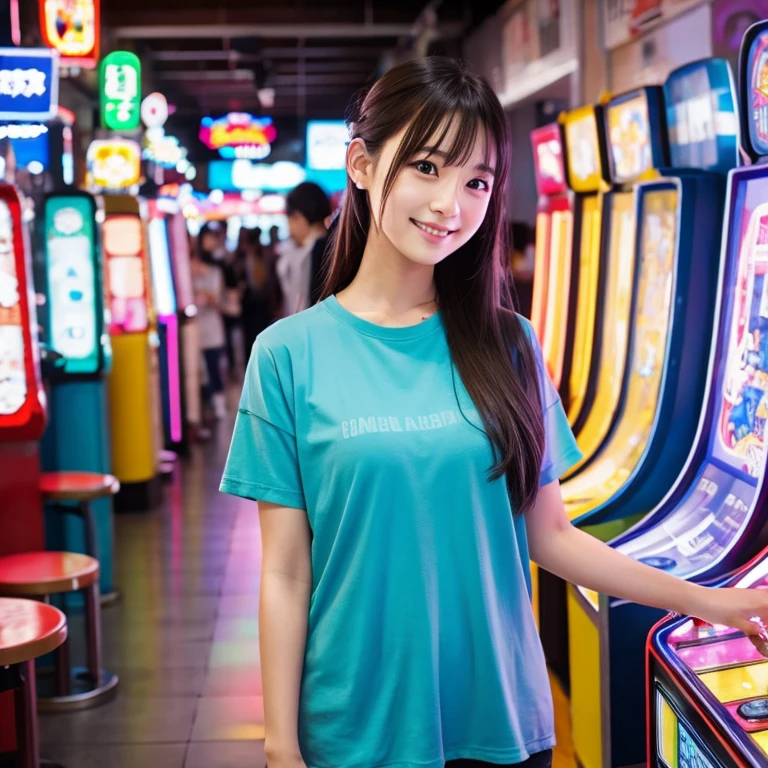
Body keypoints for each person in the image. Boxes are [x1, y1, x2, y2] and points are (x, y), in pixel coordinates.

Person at [220, 57, 768, 768]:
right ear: (361, 163)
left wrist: (714, 603)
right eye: (426, 166)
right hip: (354, 732)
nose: (451, 203)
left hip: (502, 722)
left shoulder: (508, 343)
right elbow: (287, 575)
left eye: (476, 180)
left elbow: (553, 538)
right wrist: (279, 744)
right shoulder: (288, 355)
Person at [275, 182, 331, 315]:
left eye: (289, 220)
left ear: (298, 217)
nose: (290, 230)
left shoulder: (315, 252)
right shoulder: (335, 246)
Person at [191, 235, 227, 420]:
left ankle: (219, 405)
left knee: (213, 367)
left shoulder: (215, 271)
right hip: (195, 329)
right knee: (198, 373)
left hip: (212, 328)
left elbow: (217, 299)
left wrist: (204, 292)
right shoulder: (189, 275)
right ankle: (203, 411)